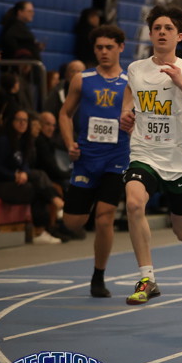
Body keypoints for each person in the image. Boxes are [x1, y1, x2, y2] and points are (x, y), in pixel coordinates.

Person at [119, 5, 182, 306]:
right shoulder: (136, 69)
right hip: (144, 152)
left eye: (168, 28)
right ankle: (147, 278)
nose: (162, 32)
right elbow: (130, 94)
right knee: (134, 203)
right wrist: (126, 113)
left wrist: (181, 84)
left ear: (179, 36)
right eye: (157, 28)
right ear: (150, 34)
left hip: (178, 160)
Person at [59, 25, 131, 296]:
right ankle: (83, 204)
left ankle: (98, 277)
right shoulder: (82, 79)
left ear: (120, 47)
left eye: (109, 47)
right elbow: (65, 114)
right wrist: (70, 144)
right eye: (99, 47)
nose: (103, 52)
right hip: (86, 158)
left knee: (104, 218)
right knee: (72, 223)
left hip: (117, 158)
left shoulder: (131, 82)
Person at [0, 109, 65, 244]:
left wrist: (24, 172)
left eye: (25, 120)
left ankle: (43, 228)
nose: (22, 123)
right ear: (11, 121)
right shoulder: (2, 141)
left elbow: (24, 164)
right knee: (35, 188)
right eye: (19, 120)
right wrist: (13, 175)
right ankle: (41, 228)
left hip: (14, 182)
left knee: (38, 179)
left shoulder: (23, 141)